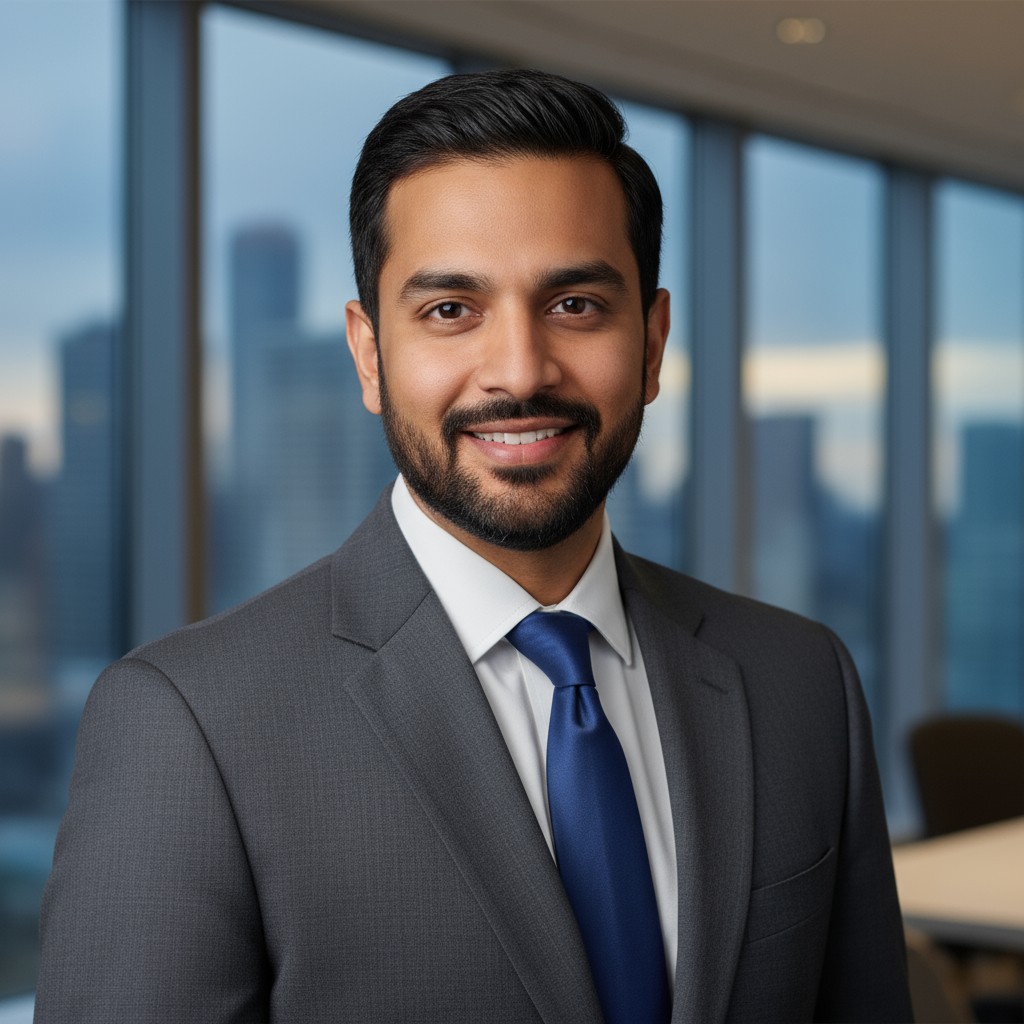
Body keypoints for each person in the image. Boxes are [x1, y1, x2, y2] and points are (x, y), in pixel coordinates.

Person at [36, 70, 912, 1023]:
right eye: (451, 310)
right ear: (370, 354)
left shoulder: (799, 682)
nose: (520, 371)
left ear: (653, 343)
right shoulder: (190, 727)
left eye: (576, 304)